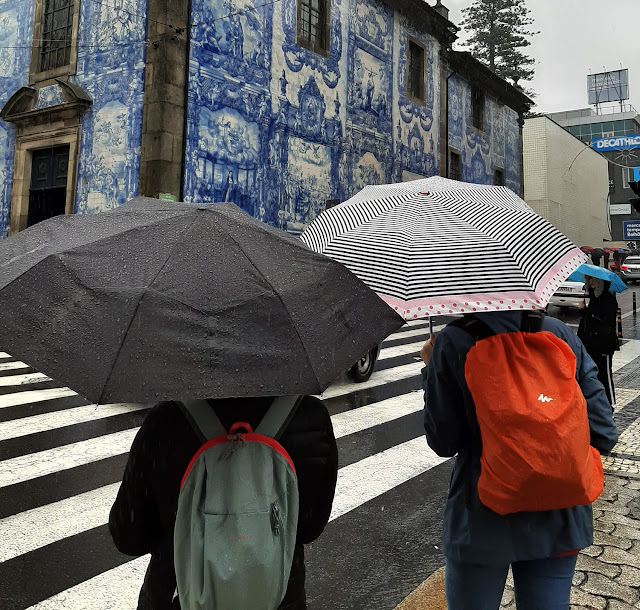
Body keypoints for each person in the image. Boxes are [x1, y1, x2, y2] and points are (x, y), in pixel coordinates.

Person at [420, 309, 617, 610]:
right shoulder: (560, 334)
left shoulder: (454, 340)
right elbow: (603, 432)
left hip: (482, 518)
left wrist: (432, 366)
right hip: (559, 517)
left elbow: (443, 441)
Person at [109, 396, 338, 610]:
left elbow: (128, 537)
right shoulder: (309, 417)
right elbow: (311, 528)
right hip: (278, 597)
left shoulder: (166, 421)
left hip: (177, 596)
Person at [578, 275, 619, 407]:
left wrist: (593, 316)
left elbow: (607, 323)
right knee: (592, 375)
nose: (590, 282)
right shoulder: (594, 298)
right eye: (588, 280)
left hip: (604, 346)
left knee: (605, 376)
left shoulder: (609, 300)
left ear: (600, 282)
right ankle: (597, 403)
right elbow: (588, 321)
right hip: (590, 344)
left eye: (593, 280)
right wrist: (584, 311)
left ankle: (610, 404)